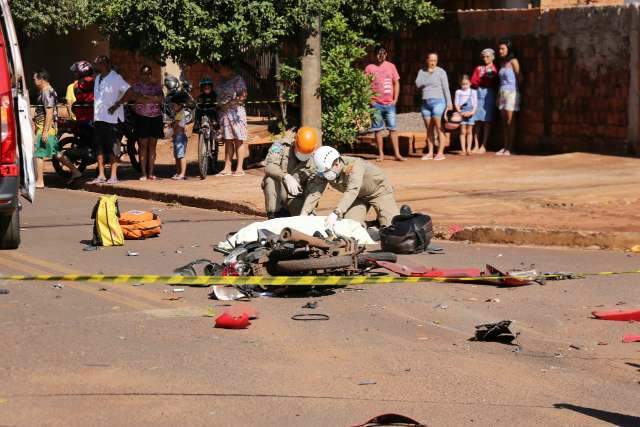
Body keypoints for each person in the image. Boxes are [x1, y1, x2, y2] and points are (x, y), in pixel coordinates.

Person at [301, 146, 399, 228]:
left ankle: (385, 220)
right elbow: (315, 192)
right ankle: (372, 225)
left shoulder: (355, 166)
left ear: (336, 163)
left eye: (325, 172)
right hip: (358, 197)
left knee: (393, 228)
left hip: (378, 191)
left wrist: (336, 212)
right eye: (322, 174)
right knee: (349, 225)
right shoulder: (325, 171)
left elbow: (352, 190)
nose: (324, 176)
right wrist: (304, 213)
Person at [89, 55, 131, 184]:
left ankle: (113, 176)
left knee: (113, 147)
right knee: (99, 147)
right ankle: (101, 175)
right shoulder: (97, 79)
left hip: (112, 119)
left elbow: (129, 91)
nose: (96, 66)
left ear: (105, 64)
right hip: (99, 117)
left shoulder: (116, 77)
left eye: (98, 63)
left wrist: (117, 104)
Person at [263, 127, 318, 219]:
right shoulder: (281, 145)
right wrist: (285, 176)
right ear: (295, 143)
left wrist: (310, 210)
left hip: (298, 196)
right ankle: (273, 216)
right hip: (281, 190)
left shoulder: (316, 158)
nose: (303, 156)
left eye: (306, 154)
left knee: (305, 222)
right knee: (270, 180)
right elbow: (269, 166)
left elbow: (314, 188)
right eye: (300, 151)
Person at [364, 45, 405, 162]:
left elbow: (396, 83)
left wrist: (395, 99)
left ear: (386, 54)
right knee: (378, 130)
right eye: (378, 54)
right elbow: (364, 85)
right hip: (376, 104)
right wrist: (369, 100)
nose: (380, 56)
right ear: (374, 54)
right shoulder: (369, 68)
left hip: (389, 104)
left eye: (383, 54)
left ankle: (397, 154)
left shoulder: (391, 66)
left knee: (393, 129)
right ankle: (381, 154)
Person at [58, 60, 95, 184]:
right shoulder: (97, 83)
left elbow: (73, 103)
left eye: (76, 73)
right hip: (93, 119)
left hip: (81, 120)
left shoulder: (75, 86)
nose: (74, 75)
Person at [415, 53, 452, 161]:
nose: (432, 62)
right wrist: (428, 74)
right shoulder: (421, 72)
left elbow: (446, 88)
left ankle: (440, 153)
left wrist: (449, 103)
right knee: (429, 129)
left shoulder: (441, 72)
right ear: (427, 60)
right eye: (431, 60)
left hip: (438, 102)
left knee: (439, 128)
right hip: (425, 103)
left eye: (435, 60)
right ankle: (430, 152)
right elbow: (418, 84)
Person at [214, 61, 248, 177]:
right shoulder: (221, 81)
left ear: (229, 69)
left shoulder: (238, 79)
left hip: (236, 113)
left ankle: (239, 168)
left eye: (222, 68)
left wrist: (231, 103)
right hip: (224, 114)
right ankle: (227, 167)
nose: (220, 70)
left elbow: (243, 96)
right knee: (228, 140)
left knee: (238, 140)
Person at [131, 65, 164, 181]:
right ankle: (143, 173)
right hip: (142, 118)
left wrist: (146, 98)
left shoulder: (157, 86)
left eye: (148, 73)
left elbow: (160, 99)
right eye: (144, 73)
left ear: (151, 74)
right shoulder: (136, 86)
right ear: (140, 74)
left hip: (155, 118)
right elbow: (137, 99)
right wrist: (152, 98)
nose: (146, 76)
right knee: (143, 146)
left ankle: (151, 173)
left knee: (152, 146)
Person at [32, 69, 58, 189]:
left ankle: (40, 181)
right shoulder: (47, 91)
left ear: (41, 79)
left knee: (39, 154)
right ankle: (75, 172)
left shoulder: (47, 92)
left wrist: (45, 131)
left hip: (45, 127)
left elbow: (49, 113)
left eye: (35, 79)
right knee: (56, 153)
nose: (34, 81)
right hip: (45, 126)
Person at [470, 48, 498, 154]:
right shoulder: (479, 68)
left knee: (487, 120)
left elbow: (491, 81)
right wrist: (482, 80)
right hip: (478, 93)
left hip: (489, 94)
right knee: (477, 120)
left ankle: (484, 145)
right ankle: (476, 144)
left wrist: (482, 80)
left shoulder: (494, 69)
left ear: (492, 57)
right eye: (484, 57)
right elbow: (474, 81)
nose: (485, 58)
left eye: (488, 56)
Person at [497, 38, 521, 156]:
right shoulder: (502, 63)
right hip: (502, 93)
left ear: (508, 49)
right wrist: (498, 95)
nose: (500, 51)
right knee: (503, 122)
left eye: (502, 49)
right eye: (499, 49)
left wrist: (516, 91)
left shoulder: (514, 61)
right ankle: (505, 145)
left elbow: (520, 77)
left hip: (512, 93)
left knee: (510, 121)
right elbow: (500, 81)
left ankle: (510, 147)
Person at [454, 75, 477, 156]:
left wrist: (472, 112)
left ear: (470, 83)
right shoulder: (458, 92)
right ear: (460, 84)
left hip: (471, 113)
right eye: (463, 84)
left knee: (470, 131)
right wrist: (460, 112)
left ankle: (469, 149)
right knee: (463, 131)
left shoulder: (473, 92)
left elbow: (475, 104)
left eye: (466, 84)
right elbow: (456, 103)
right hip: (462, 113)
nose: (464, 86)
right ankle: (463, 150)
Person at [170, 96, 189, 180]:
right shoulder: (179, 114)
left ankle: (182, 173)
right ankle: (179, 173)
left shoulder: (180, 114)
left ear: (180, 105)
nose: (173, 107)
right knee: (177, 155)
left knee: (181, 155)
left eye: (174, 105)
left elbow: (175, 125)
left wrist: (171, 126)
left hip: (179, 137)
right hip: (177, 137)